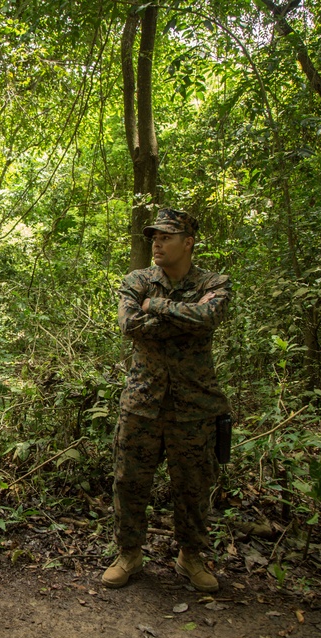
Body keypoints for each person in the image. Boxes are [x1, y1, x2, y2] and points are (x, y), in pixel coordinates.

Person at [101, 208, 231, 594]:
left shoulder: (215, 281)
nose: (156, 243)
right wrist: (185, 317)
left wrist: (156, 307)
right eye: (153, 237)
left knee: (192, 486)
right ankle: (129, 554)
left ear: (187, 242)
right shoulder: (137, 279)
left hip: (194, 405)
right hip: (142, 401)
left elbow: (209, 316)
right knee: (129, 482)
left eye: (165, 237)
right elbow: (129, 326)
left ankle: (190, 557)